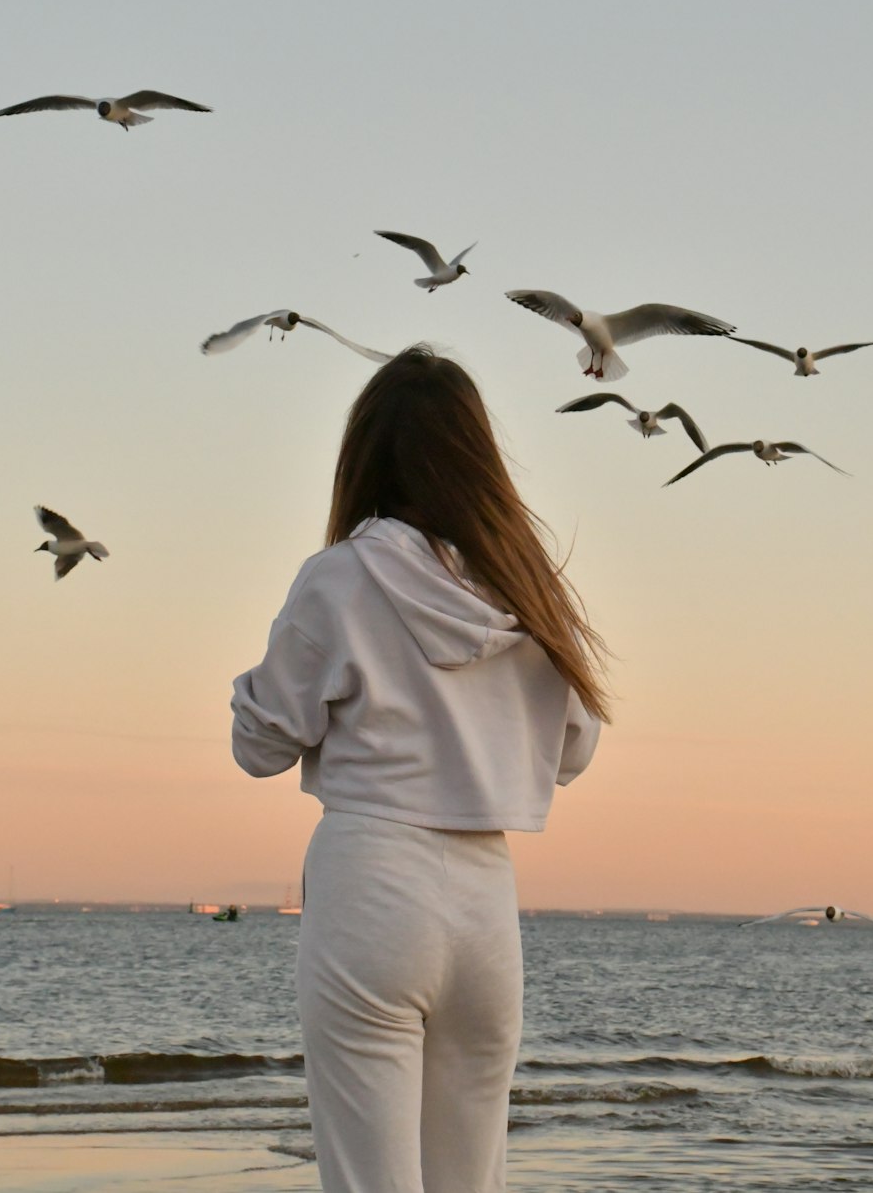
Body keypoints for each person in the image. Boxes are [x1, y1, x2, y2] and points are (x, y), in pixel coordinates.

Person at [231, 346, 608, 1193]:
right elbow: (575, 749)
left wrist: (258, 692)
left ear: (364, 456)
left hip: (372, 879)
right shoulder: (524, 588)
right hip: (485, 903)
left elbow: (259, 747)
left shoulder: (338, 579)